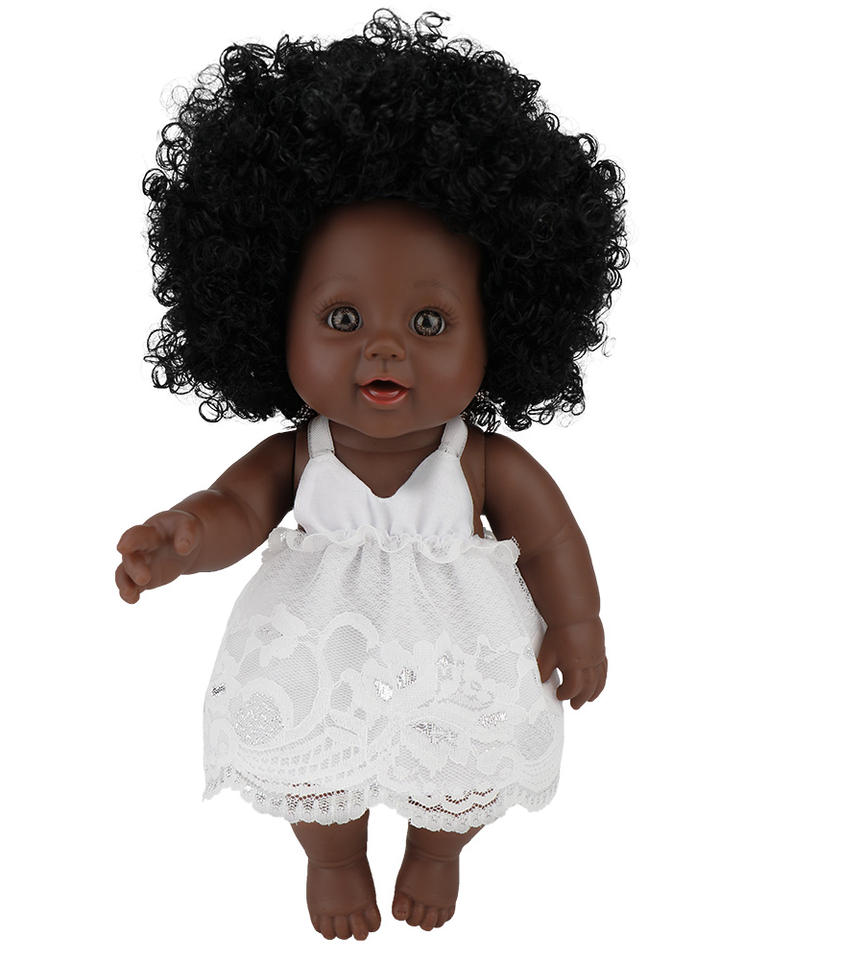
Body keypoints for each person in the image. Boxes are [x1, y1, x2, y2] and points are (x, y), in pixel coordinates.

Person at [115, 9, 628, 940]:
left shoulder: (482, 460)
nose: (384, 348)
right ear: (272, 320)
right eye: (342, 318)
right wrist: (184, 540)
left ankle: (438, 846)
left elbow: (552, 538)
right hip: (321, 642)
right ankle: (333, 853)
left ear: (497, 330)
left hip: (458, 648)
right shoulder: (298, 452)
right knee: (311, 753)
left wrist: (578, 622)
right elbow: (235, 508)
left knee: (464, 757)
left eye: (429, 323)